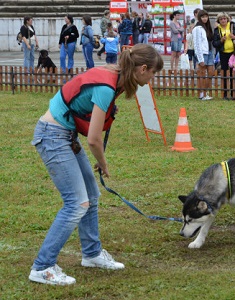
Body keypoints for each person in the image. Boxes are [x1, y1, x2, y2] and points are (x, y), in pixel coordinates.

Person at [29, 44, 164, 286]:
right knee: (77, 202)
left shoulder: (119, 77)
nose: (152, 78)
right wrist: (103, 163)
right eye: (153, 73)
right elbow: (93, 139)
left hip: (65, 135)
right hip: (52, 136)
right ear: (142, 69)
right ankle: (43, 267)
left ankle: (91, 254)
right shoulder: (106, 87)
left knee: (91, 194)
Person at [213, 12, 235, 100]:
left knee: (233, 73)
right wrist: (221, 41)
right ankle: (225, 94)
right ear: (218, 20)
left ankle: (233, 93)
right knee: (224, 73)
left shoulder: (234, 26)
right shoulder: (217, 30)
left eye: (224, 18)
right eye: (221, 19)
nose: (223, 20)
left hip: (234, 53)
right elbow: (214, 43)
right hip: (223, 53)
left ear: (227, 19)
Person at [193, 9, 215, 100]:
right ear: (199, 18)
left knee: (210, 72)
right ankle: (201, 94)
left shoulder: (208, 27)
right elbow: (197, 44)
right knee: (202, 73)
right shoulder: (197, 28)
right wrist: (200, 58)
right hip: (202, 53)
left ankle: (205, 92)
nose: (205, 18)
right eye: (202, 17)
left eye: (206, 16)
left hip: (209, 52)